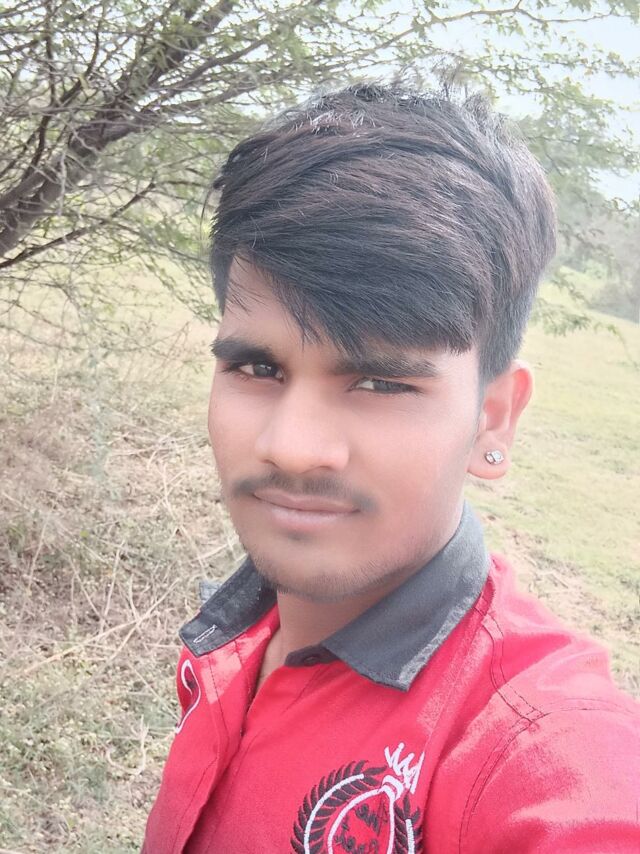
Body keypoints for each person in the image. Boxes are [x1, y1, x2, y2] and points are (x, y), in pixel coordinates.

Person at [143, 84, 639, 853]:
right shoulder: (238, 630)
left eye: (379, 383)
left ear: (493, 417)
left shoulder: (537, 745)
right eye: (257, 367)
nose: (291, 446)